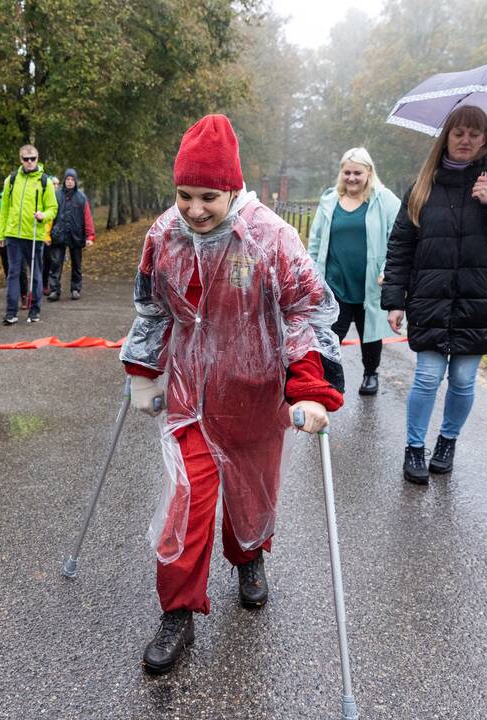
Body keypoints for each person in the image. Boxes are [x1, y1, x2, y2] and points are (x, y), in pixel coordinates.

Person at [120, 115, 344, 675]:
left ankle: (248, 557)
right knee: (186, 502)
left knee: (251, 495)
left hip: (256, 397)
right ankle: (178, 611)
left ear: (234, 189)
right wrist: (143, 372)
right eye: (184, 195)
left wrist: (311, 387)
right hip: (190, 398)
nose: (194, 209)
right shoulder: (163, 235)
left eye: (209, 197)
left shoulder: (270, 237)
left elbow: (306, 311)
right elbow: (151, 308)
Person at [381, 105, 487, 485]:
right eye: (459, 133)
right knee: (427, 378)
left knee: (464, 379)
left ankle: (447, 441)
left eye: (474, 133)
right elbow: (401, 243)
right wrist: (395, 298)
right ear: (446, 137)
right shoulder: (423, 184)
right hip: (430, 297)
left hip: (479, 301)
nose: (465, 140)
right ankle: (414, 448)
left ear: (485, 139)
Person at [308, 148, 401, 395]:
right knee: (330, 334)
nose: (351, 178)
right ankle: (328, 379)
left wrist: (387, 270)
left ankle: (371, 374)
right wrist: (310, 273)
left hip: (369, 283)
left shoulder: (384, 200)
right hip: (335, 282)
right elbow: (316, 241)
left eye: (357, 173)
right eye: (347, 172)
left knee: (369, 334)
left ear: (369, 172)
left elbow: (398, 238)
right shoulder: (329, 200)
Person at [0, 144, 57, 324]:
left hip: (34, 234)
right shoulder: (11, 180)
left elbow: (53, 208)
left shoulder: (44, 181)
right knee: (13, 274)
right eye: (25, 159)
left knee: (36, 274)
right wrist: (1, 234)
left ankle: (35, 310)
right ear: (20, 159)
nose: (29, 162)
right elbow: (5, 209)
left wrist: (43, 215)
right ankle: (11, 312)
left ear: (37, 159)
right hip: (13, 234)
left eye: (33, 158)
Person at [48, 168, 95, 301]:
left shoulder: (81, 197)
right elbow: (50, 216)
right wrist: (47, 235)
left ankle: (75, 289)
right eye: (67, 179)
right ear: (64, 181)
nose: (69, 182)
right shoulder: (56, 195)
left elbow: (87, 217)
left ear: (75, 181)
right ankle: (54, 290)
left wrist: (90, 236)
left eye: (72, 179)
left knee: (76, 264)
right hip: (58, 234)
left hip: (76, 235)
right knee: (56, 263)